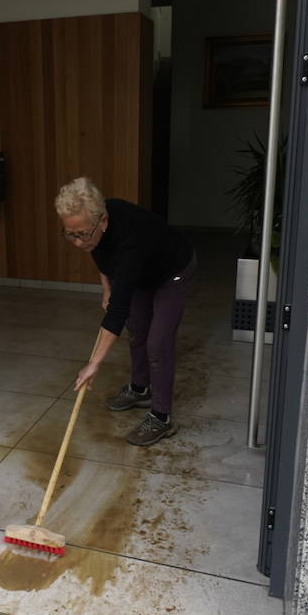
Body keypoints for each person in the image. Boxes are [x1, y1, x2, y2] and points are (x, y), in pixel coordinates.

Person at [56, 177, 195, 446]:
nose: (76, 242)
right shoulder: (93, 226)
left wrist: (94, 364)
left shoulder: (131, 241)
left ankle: (161, 416)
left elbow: (117, 311)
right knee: (137, 328)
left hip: (172, 270)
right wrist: (106, 287)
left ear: (103, 222)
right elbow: (100, 254)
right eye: (69, 234)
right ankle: (140, 388)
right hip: (140, 274)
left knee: (157, 342)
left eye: (81, 233)